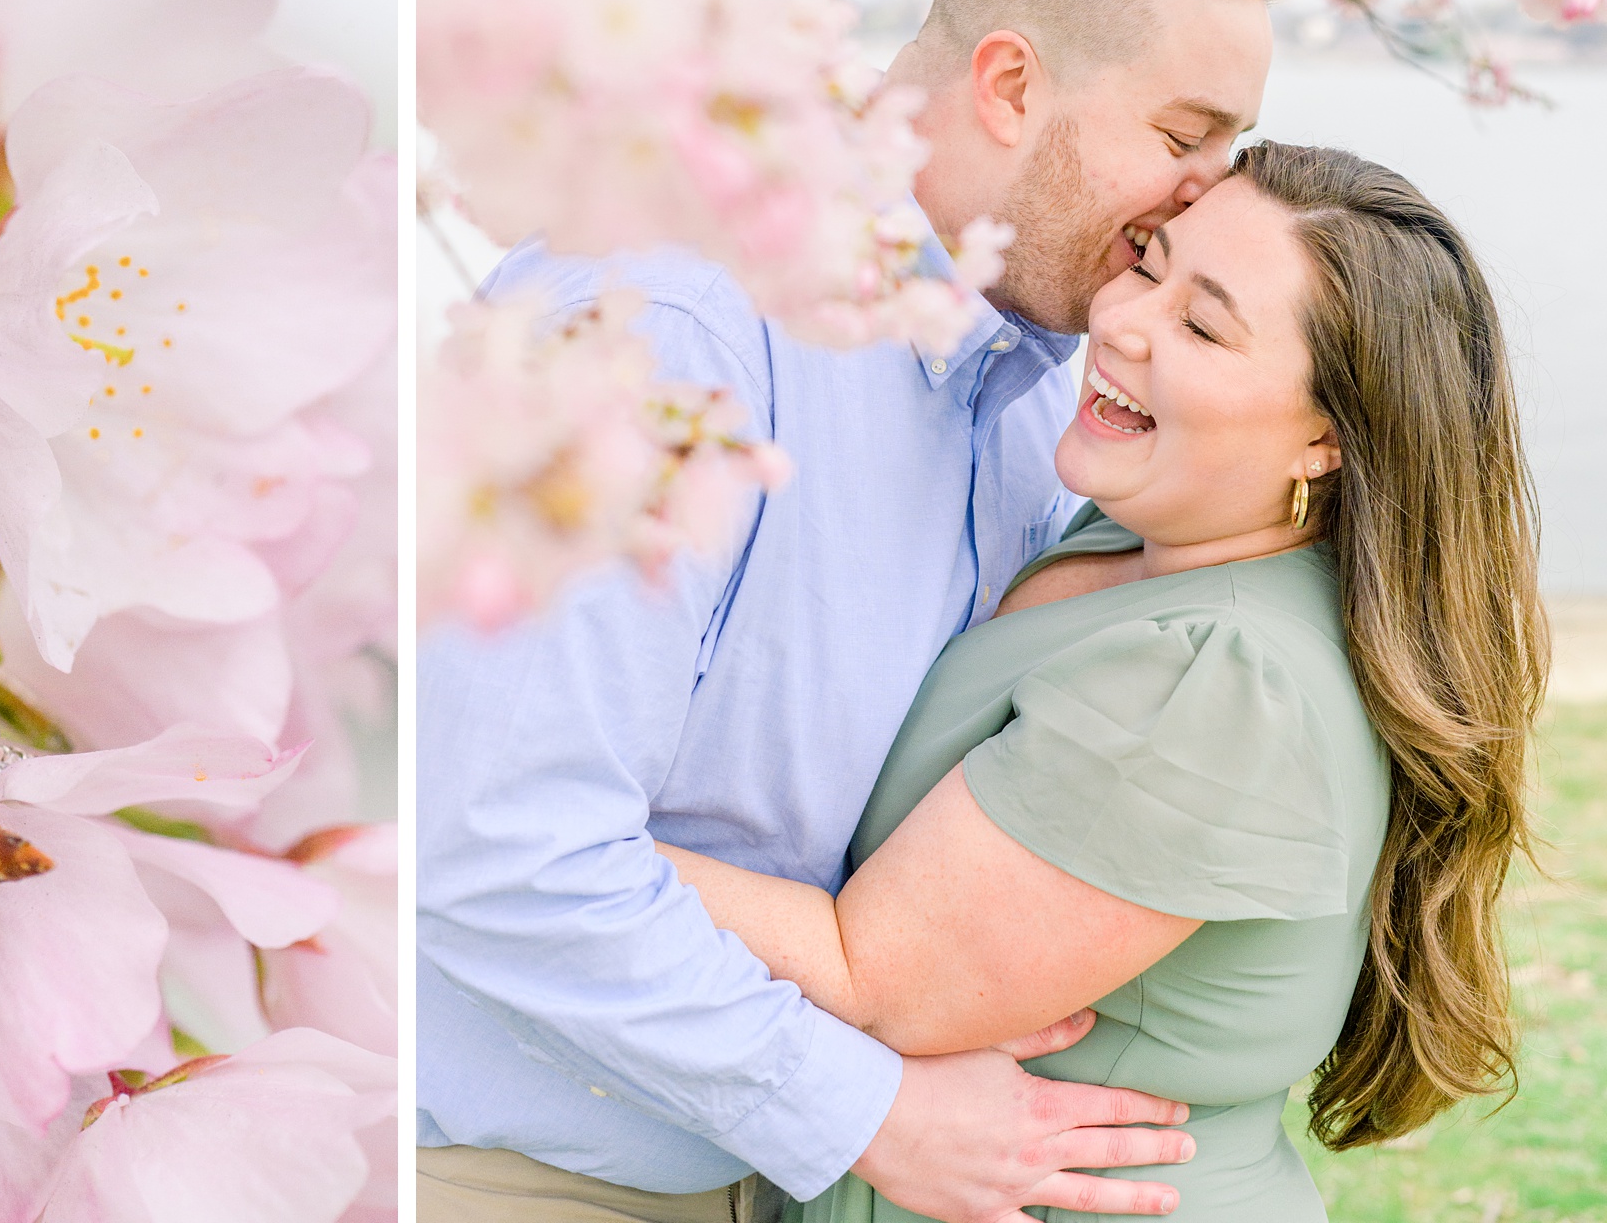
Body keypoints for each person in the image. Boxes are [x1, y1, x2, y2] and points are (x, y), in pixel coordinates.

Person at [418, 0, 1316, 1223]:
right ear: (1011, 86)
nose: (1205, 196)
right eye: (1183, 139)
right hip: (523, 1183)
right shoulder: (667, 322)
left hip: (766, 1182)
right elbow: (490, 842)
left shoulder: (1030, 400)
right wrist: (869, 1109)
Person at [659, 143, 1546, 1220]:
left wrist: (550, 835)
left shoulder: (1220, 681)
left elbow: (871, 976)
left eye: (1203, 324)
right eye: (1148, 263)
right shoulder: (1142, 530)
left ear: (1325, 436)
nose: (1123, 321)